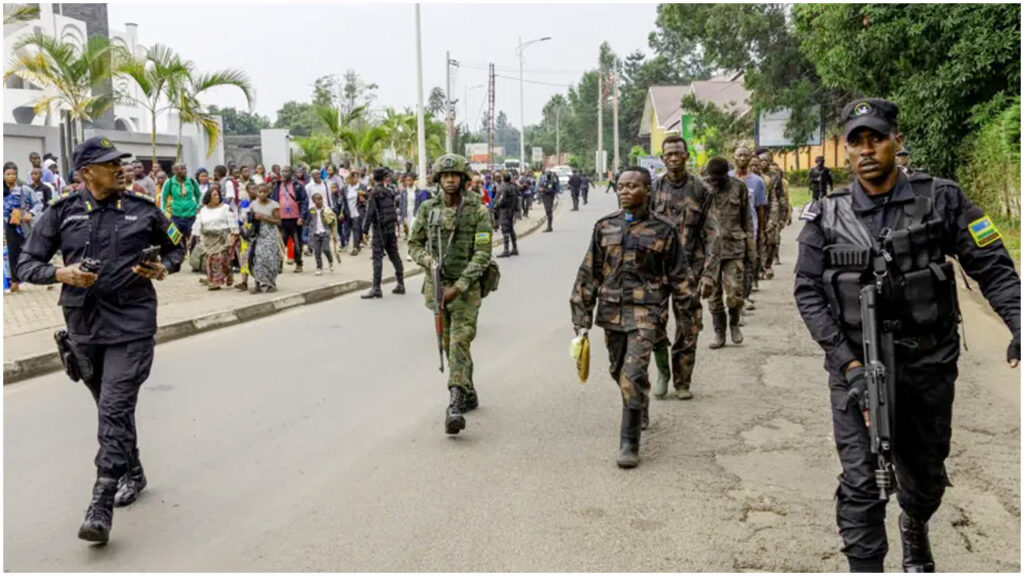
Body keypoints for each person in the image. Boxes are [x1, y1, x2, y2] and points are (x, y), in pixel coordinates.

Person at [794, 98, 1020, 573]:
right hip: (856, 368)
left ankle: (915, 521)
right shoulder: (825, 216)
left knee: (925, 477)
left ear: (897, 140)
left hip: (927, 363)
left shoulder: (942, 199)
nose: (866, 150)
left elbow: (993, 267)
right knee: (861, 481)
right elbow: (808, 292)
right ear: (846, 152)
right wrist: (847, 363)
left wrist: (1018, 322)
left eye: (876, 138)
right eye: (856, 142)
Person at [16, 136, 185, 543]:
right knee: (111, 409)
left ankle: (101, 502)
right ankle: (135, 471)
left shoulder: (145, 210)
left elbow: (178, 247)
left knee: (113, 407)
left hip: (132, 323)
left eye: (120, 163)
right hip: (84, 327)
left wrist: (163, 268)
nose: (121, 169)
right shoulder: (61, 214)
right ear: (86, 173)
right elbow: (25, 263)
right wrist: (61, 274)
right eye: (111, 165)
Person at [570, 167, 691, 467]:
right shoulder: (604, 227)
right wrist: (581, 318)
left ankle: (629, 444)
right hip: (611, 312)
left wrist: (687, 317)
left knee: (633, 373)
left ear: (647, 190)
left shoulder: (664, 229)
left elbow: (680, 277)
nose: (624, 191)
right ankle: (640, 403)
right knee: (617, 370)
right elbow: (589, 273)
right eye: (621, 186)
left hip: (646, 313)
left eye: (632, 186)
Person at [408, 154, 493, 435]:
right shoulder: (427, 209)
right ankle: (467, 392)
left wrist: (459, 286)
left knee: (459, 343)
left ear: (464, 179)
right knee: (448, 345)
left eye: (454, 175)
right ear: (438, 180)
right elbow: (414, 244)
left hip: (465, 291)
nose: (449, 180)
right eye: (445, 176)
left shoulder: (477, 211)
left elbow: (483, 254)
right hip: (437, 287)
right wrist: (429, 262)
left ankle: (454, 404)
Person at [649, 135, 719, 400]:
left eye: (678, 153)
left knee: (688, 328)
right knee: (654, 324)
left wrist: (710, 273)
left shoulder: (701, 190)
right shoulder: (653, 190)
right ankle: (663, 371)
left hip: (689, 270)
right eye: (669, 154)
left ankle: (682, 381)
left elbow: (713, 233)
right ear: (662, 158)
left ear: (687, 156)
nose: (674, 158)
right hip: (656, 271)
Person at [706, 157, 755, 349]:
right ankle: (719, 332)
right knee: (713, 295)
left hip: (734, 248)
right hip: (709, 251)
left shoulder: (738, 187)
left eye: (719, 178)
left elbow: (747, 218)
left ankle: (734, 323)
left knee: (735, 291)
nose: (715, 181)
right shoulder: (702, 188)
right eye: (712, 178)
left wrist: (751, 247)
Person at [360, 167, 405, 298]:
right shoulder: (389, 192)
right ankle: (400, 283)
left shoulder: (373, 193)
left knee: (377, 258)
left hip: (379, 230)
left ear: (374, 178)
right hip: (391, 228)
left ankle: (376, 288)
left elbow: (369, 213)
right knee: (394, 255)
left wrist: (364, 230)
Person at [3, 162, 44, 292]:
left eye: (13, 174)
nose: (10, 177)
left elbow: (38, 204)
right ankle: (15, 282)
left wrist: (30, 213)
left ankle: (44, 276)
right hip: (9, 226)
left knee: (32, 251)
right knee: (12, 254)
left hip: (24, 225)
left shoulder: (24, 190)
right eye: (8, 174)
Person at [195, 185, 238, 290]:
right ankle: (226, 273)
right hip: (208, 239)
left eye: (218, 195)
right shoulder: (204, 210)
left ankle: (216, 282)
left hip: (223, 238)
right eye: (214, 195)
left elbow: (233, 225)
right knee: (210, 260)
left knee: (217, 259)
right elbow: (199, 225)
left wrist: (234, 237)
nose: (217, 197)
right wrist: (197, 237)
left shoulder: (226, 208)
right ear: (208, 197)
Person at [755, 148, 789, 280]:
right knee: (758, 241)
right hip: (757, 211)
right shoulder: (753, 174)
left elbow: (780, 196)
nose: (764, 163)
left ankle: (768, 265)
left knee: (771, 241)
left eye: (767, 160)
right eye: (762, 160)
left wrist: (783, 215)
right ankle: (758, 269)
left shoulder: (775, 175)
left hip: (771, 211)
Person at [271, 165, 308, 273]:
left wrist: (302, 217)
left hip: (295, 219)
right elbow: (274, 201)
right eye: (282, 171)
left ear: (291, 173)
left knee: (297, 243)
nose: (283, 173)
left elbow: (305, 201)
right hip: (282, 220)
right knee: (281, 244)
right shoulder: (277, 186)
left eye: (286, 171)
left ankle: (298, 264)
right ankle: (279, 265)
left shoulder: (298, 186)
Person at [249, 183, 282, 293]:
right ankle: (258, 283)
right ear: (256, 193)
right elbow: (249, 218)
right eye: (260, 192)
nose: (262, 194)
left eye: (265, 192)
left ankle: (270, 283)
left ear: (268, 192)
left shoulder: (274, 204)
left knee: (270, 259)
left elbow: (278, 221)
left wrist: (264, 217)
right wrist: (253, 217)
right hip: (259, 234)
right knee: (258, 258)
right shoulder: (253, 204)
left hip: (270, 234)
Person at [161, 162, 202, 246]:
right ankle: (179, 257)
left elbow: (199, 196)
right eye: (181, 169)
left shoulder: (192, 181)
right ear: (174, 171)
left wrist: (198, 206)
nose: (184, 171)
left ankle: (192, 258)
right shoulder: (169, 182)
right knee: (173, 240)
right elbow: (163, 199)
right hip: (175, 216)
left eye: (184, 169)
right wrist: (163, 212)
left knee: (193, 241)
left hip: (191, 216)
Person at [234, 182, 258, 292]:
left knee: (257, 257)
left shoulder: (260, 202)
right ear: (247, 191)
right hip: (246, 233)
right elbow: (240, 219)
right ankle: (244, 282)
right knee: (244, 257)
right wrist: (238, 231)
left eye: (256, 189)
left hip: (258, 232)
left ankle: (259, 281)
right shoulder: (243, 203)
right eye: (252, 189)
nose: (254, 191)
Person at [307, 191, 336, 275]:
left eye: (321, 199)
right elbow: (308, 220)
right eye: (317, 199)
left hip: (325, 231)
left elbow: (332, 220)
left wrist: (332, 231)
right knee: (317, 251)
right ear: (314, 201)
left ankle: (330, 261)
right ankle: (319, 267)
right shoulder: (311, 210)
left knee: (326, 249)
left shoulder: (326, 209)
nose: (320, 201)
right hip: (315, 233)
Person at [493, 172, 520, 258]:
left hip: (505, 210)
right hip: (511, 210)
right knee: (511, 229)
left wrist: (496, 205)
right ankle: (515, 248)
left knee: (505, 229)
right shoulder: (514, 187)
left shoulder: (503, 188)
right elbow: (517, 198)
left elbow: (501, 200)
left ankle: (506, 250)